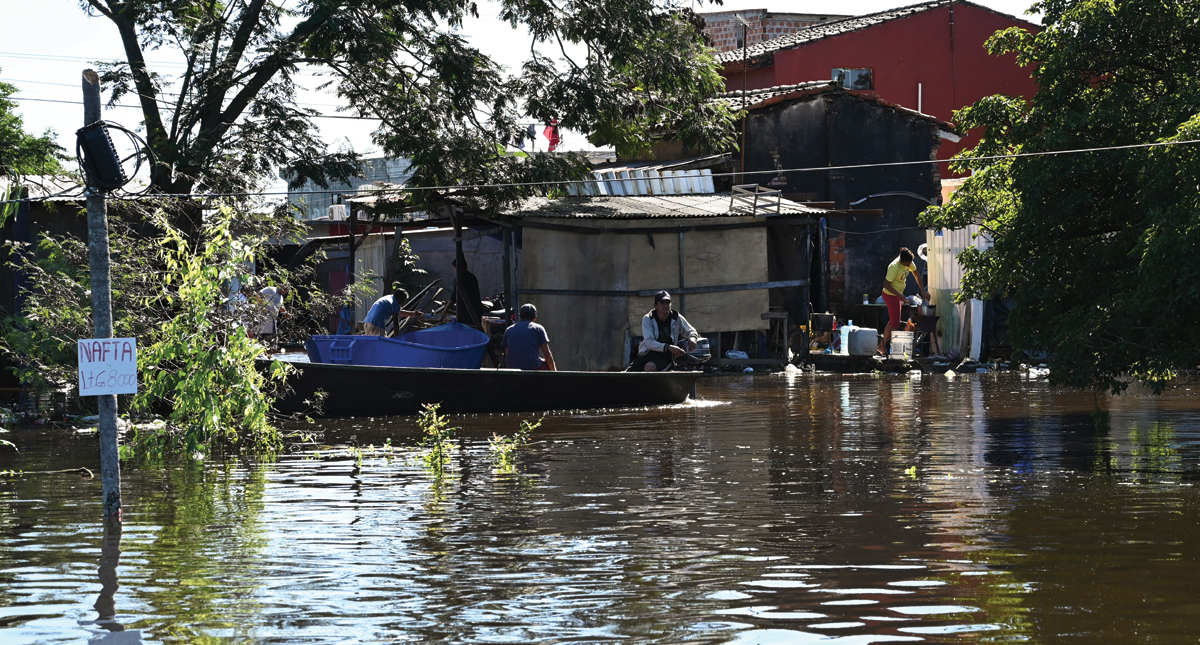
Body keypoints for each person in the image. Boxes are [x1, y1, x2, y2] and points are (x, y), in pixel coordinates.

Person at [628, 290, 699, 372]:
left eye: (667, 303)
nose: (665, 306)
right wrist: (669, 347)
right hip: (647, 354)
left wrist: (693, 338)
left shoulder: (676, 317)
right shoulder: (648, 319)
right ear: (655, 305)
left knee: (649, 367)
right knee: (628, 373)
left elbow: (691, 330)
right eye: (662, 303)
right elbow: (649, 342)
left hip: (666, 357)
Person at [878, 247, 930, 355]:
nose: (908, 266)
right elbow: (886, 285)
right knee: (895, 323)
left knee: (893, 322)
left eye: (909, 264)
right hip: (890, 294)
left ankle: (882, 347)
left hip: (898, 295)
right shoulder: (894, 267)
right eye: (906, 264)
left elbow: (916, 275)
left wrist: (923, 291)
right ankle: (886, 348)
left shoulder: (909, 261)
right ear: (901, 261)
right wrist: (899, 295)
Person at [502, 303, 556, 371]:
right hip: (533, 367)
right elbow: (547, 355)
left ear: (520, 316)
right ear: (535, 318)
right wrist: (555, 372)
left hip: (513, 368)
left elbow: (508, 355)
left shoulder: (508, 330)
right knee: (547, 364)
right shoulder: (538, 329)